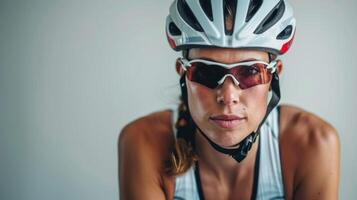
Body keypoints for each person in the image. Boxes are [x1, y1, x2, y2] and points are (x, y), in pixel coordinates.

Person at [118, 0, 340, 199]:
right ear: (184, 75)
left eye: (250, 72)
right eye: (206, 72)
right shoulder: (143, 142)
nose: (228, 97)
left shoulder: (313, 144)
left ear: (274, 76)